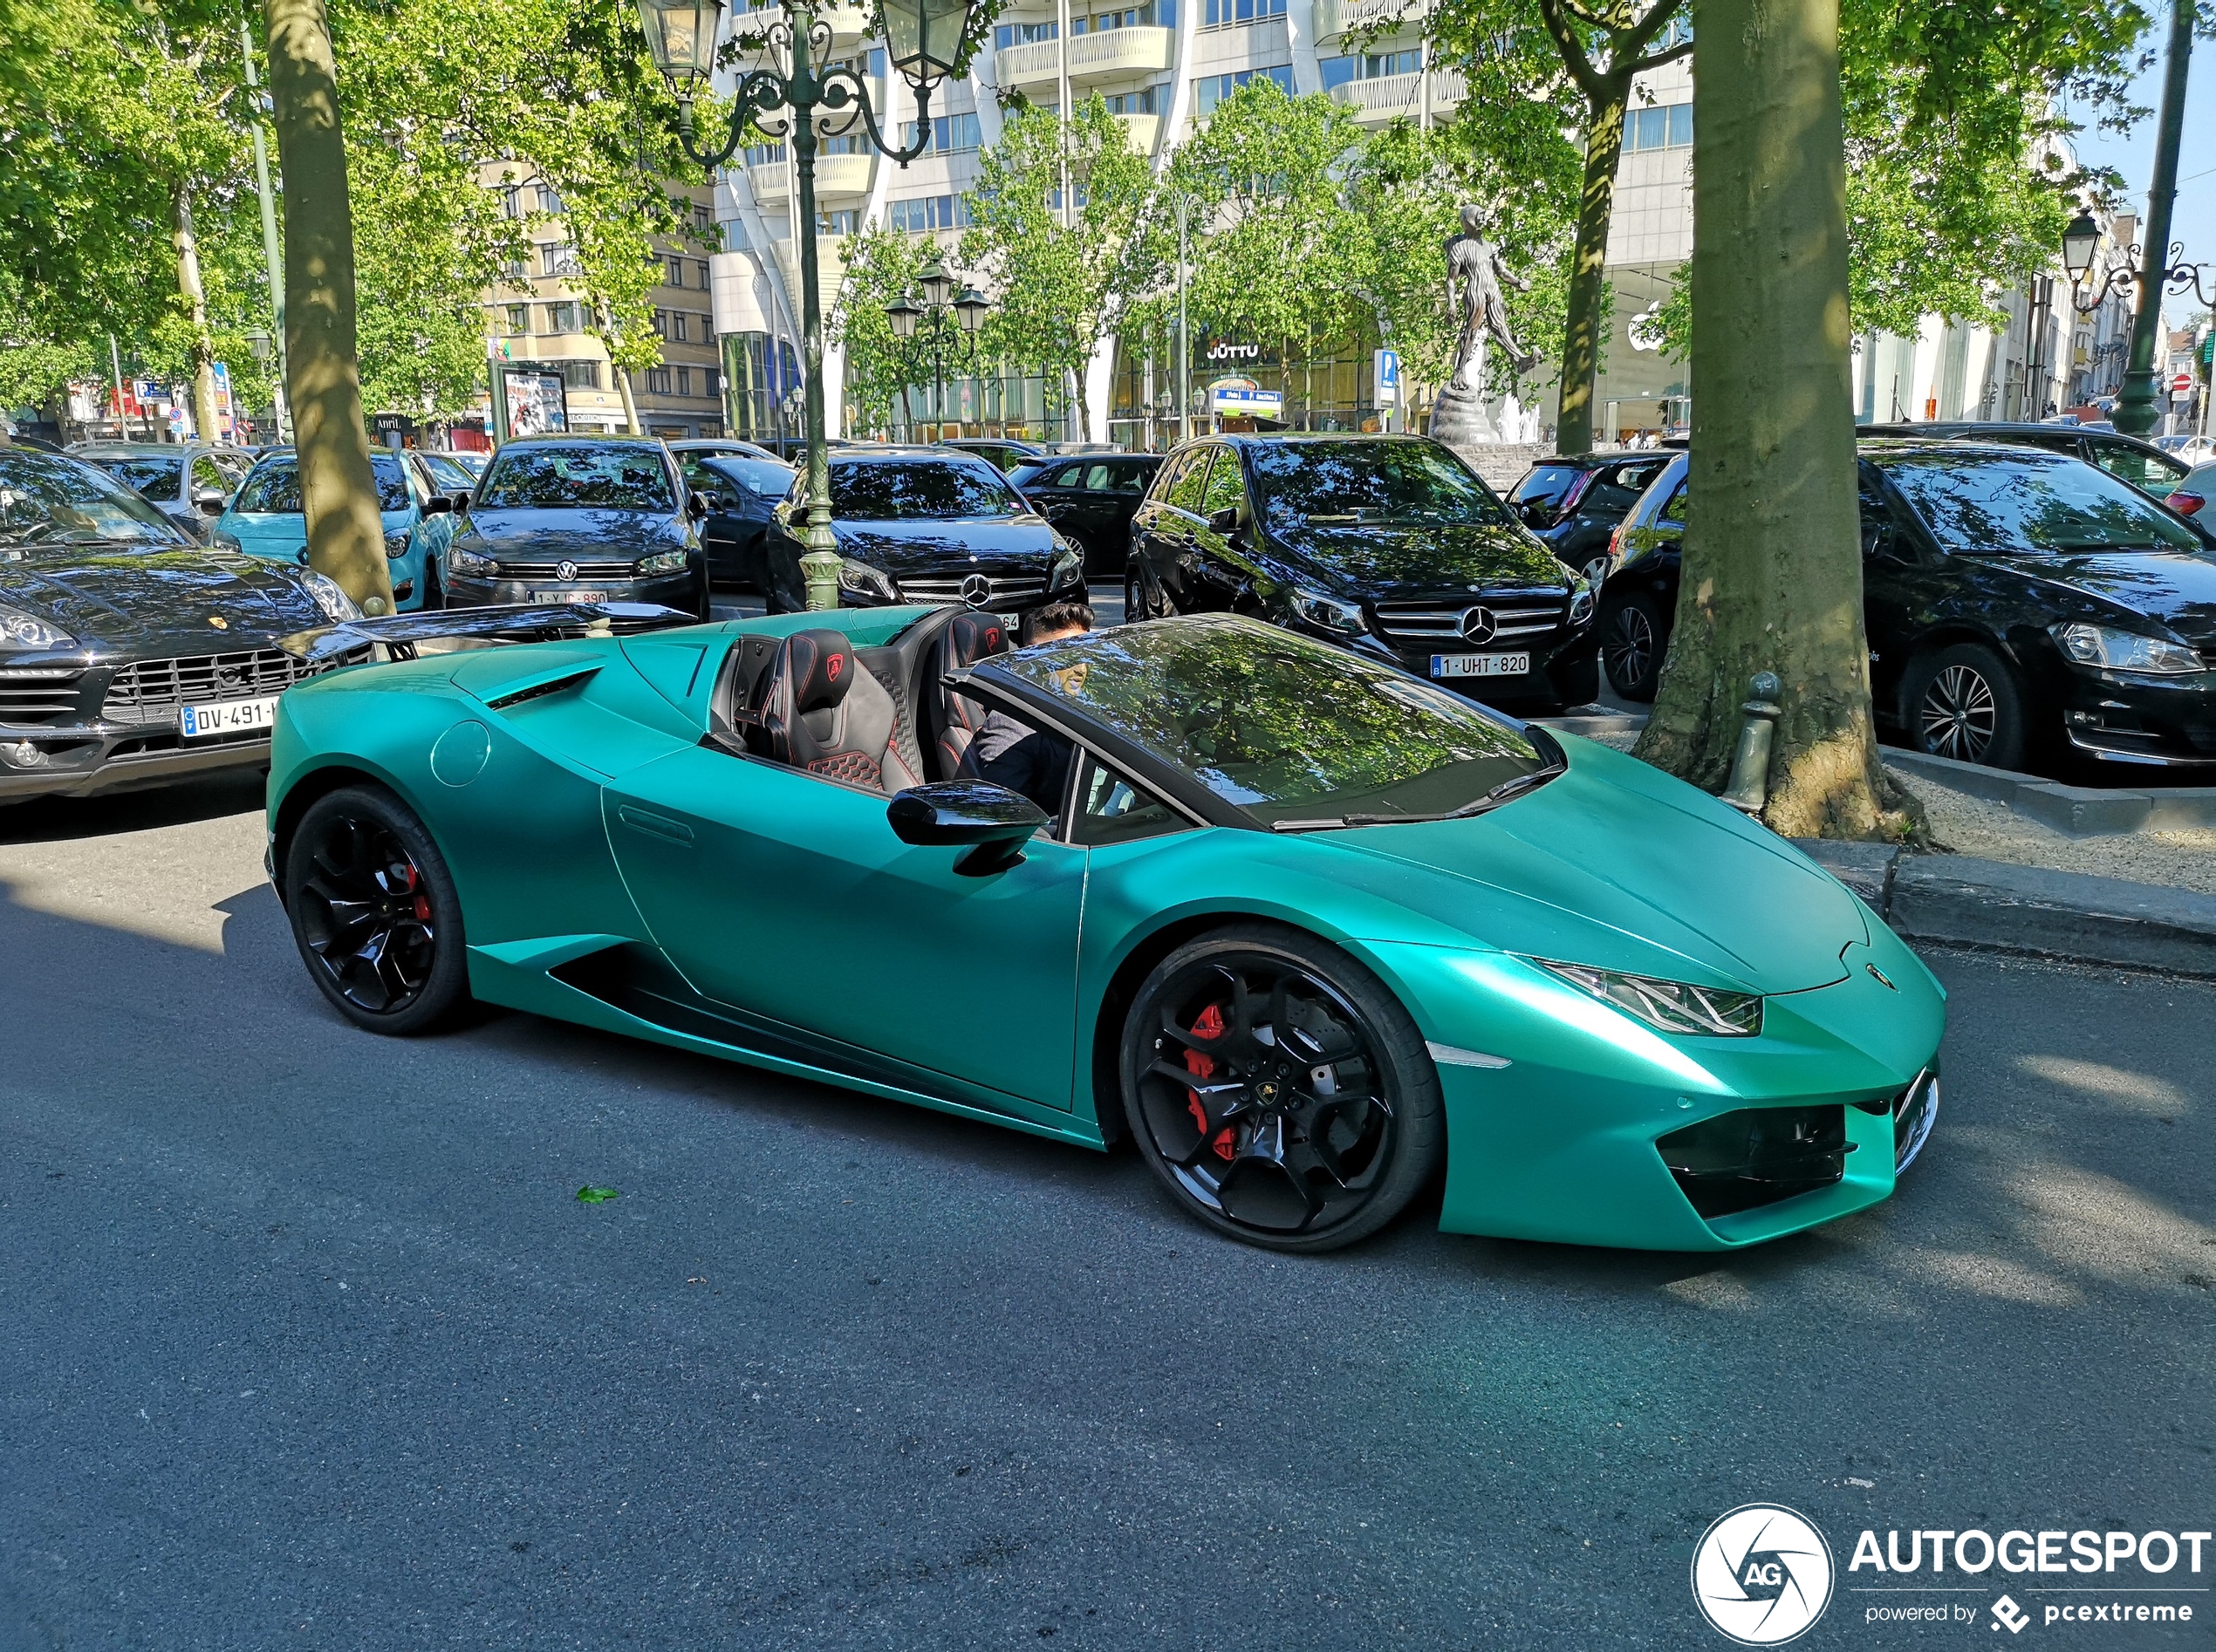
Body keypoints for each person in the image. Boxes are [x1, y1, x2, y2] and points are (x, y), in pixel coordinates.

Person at [956, 600, 1092, 815]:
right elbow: (1010, 814)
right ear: (1032, 660)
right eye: (1066, 658)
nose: (1080, 669)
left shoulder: (1089, 701)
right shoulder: (1013, 725)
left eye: (1085, 656)